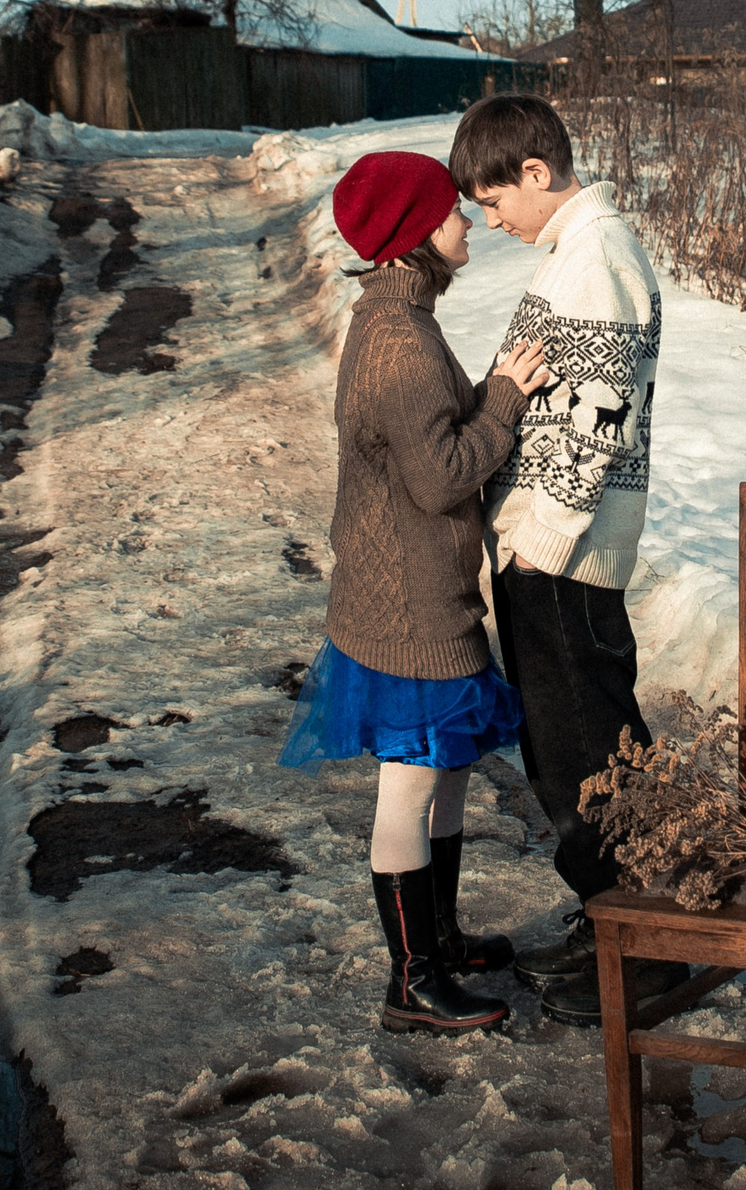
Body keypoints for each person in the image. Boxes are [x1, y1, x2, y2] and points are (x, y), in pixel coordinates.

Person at [279, 149, 552, 1035]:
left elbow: (427, 434)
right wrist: (503, 401)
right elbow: (439, 477)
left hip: (423, 589)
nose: (467, 221)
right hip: (405, 605)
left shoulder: (400, 319)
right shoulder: (398, 340)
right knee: (411, 783)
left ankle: (441, 939)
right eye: (450, 211)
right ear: (414, 234)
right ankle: (412, 980)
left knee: (449, 771)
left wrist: (489, 390)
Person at [447, 94, 682, 1028]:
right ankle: (613, 919)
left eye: (494, 200)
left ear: (536, 172)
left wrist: (541, 537)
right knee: (569, 748)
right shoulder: (575, 252)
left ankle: (646, 945)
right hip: (548, 544)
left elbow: (597, 419)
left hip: (562, 550)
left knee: (587, 750)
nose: (490, 220)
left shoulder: (599, 259)